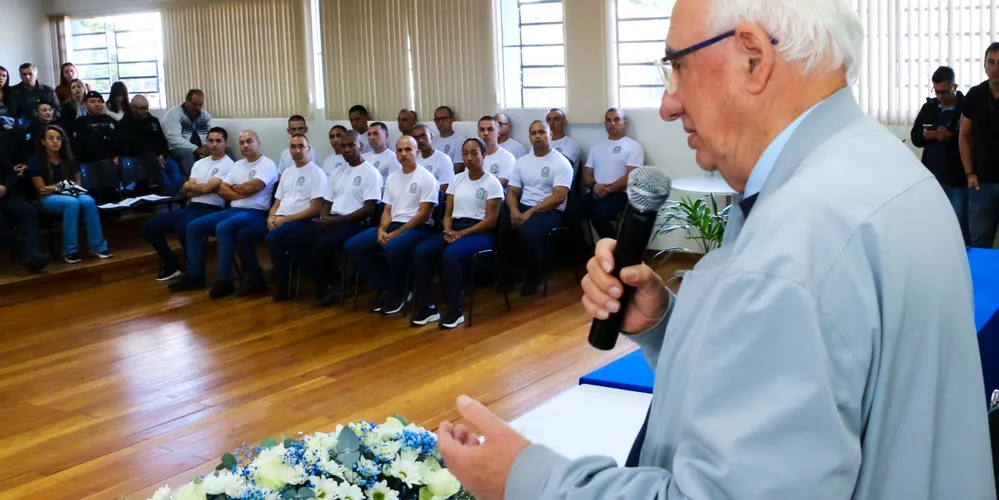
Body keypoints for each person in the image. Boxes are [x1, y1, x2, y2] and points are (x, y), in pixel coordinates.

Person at [438, 0, 997, 498]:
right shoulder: (875, 165)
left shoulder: (799, 235)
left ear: (753, 56)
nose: (667, 103)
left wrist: (524, 480)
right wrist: (670, 327)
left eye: (676, 66)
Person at [169, 131, 278, 298]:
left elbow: (251, 187)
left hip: (255, 212)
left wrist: (236, 189)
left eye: (249, 141)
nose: (245, 145)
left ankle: (224, 280)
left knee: (223, 227)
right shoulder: (238, 164)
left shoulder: (267, 164)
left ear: (258, 142)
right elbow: (222, 189)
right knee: (193, 226)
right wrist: (241, 192)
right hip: (233, 210)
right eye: (242, 143)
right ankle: (195, 276)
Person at [411, 138, 503, 329]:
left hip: (480, 232)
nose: (469, 158)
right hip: (454, 229)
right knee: (421, 251)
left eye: (474, 153)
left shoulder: (492, 183)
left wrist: (462, 233)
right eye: (465, 153)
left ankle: (455, 310)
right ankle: (429, 307)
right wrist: (448, 229)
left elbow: (490, 221)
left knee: (450, 255)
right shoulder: (457, 179)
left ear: (483, 156)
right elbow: (448, 212)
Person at [344, 136, 439, 315]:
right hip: (393, 226)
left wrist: (395, 233)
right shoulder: (393, 178)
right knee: (353, 246)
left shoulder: (426, 178)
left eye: (408, 150)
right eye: (400, 151)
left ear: (417, 153)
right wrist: (381, 230)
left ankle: (399, 292)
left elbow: (424, 214)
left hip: (419, 228)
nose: (403, 154)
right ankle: (387, 286)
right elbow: (387, 209)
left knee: (393, 247)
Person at [141, 127, 233, 282]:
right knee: (149, 227)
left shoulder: (228, 164)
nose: (214, 144)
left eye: (218, 141)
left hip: (212, 209)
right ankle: (173, 264)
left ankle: (195, 272)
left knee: (183, 228)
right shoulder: (199, 163)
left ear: (225, 143)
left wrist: (198, 188)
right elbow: (188, 191)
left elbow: (201, 187)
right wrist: (202, 189)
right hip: (192, 206)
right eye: (210, 141)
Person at [497, 120, 573, 296]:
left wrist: (528, 213)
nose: (537, 136)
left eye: (542, 132)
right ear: (529, 137)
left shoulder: (561, 163)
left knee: (527, 229)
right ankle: (510, 274)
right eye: (533, 133)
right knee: (503, 225)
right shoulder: (522, 162)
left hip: (550, 211)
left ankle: (535, 274)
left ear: (550, 135)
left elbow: (558, 197)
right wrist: (515, 211)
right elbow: (512, 191)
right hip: (524, 207)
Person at [310, 131, 382, 307]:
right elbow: (328, 200)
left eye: (351, 145)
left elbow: (368, 210)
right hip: (333, 219)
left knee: (321, 244)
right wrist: (323, 217)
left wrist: (333, 222)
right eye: (344, 146)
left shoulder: (370, 172)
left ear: (361, 146)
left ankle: (332, 283)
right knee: (301, 238)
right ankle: (328, 281)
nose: (347, 149)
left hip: (356, 223)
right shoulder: (337, 172)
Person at [253, 135, 328, 301]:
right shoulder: (287, 173)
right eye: (293, 147)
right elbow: (277, 202)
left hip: (304, 222)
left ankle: (285, 285)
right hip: (282, 220)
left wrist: (284, 220)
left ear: (309, 149)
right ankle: (262, 281)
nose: (297, 150)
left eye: (301, 146)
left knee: (274, 238)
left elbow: (315, 210)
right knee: (250, 235)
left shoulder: (317, 173)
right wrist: (271, 217)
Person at [27, 125, 111, 263]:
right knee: (71, 203)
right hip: (46, 199)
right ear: (43, 141)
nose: (55, 142)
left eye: (58, 139)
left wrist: (57, 186)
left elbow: (77, 185)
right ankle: (70, 250)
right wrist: (65, 185)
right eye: (51, 138)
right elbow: (41, 189)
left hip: (71, 193)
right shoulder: (36, 161)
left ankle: (98, 246)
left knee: (88, 201)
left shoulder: (69, 159)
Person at [911, 66, 968, 245]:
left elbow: (975, 142)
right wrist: (924, 135)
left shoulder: (966, 107)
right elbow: (915, 137)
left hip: (957, 180)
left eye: (944, 92)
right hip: (932, 180)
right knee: (932, 227)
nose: (940, 96)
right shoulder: (929, 107)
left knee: (960, 228)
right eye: (937, 92)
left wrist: (951, 137)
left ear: (955, 86)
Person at [570, 108, 645, 239]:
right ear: (605, 123)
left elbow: (631, 177)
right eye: (608, 120)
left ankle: (614, 252)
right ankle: (580, 251)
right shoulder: (597, 146)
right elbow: (587, 174)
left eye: (616, 119)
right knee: (571, 211)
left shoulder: (633, 146)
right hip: (596, 192)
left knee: (599, 216)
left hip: (621, 195)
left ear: (624, 122)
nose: (612, 123)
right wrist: (594, 186)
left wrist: (608, 189)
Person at [961, 42, 999, 248]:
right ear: (984, 66)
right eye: (991, 62)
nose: (996, 68)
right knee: (979, 244)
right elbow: (964, 137)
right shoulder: (974, 96)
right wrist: (970, 173)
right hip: (981, 184)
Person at [119, 94, 185, 195]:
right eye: (142, 108)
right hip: (142, 159)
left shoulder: (153, 121)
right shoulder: (125, 124)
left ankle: (181, 195)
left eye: (147, 107)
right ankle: (173, 196)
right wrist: (155, 158)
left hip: (161, 156)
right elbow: (134, 146)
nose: (146, 110)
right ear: (133, 108)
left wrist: (161, 154)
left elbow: (162, 140)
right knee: (163, 178)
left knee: (175, 170)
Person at [0, 152, 50, 272]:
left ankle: (32, 253)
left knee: (27, 211)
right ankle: (26, 253)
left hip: (3, 198)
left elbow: (11, 173)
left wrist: (5, 187)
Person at [71, 91, 121, 203]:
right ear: (85, 104)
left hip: (109, 165)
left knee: (114, 199)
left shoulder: (110, 121)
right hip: (89, 166)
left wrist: (117, 156)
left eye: (99, 101)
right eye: (92, 101)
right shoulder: (80, 123)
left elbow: (119, 141)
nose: (96, 104)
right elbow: (78, 147)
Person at [163, 89, 213, 176]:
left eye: (200, 105)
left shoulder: (205, 116)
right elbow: (174, 139)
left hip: (201, 148)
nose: (197, 108)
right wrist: (196, 149)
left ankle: (230, 182)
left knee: (224, 149)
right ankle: (194, 183)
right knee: (187, 153)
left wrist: (209, 146)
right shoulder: (173, 114)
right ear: (186, 101)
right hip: (177, 149)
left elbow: (211, 134)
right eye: (194, 104)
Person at [413, 124, 456, 192]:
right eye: (416, 138)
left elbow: (446, 187)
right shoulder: (414, 159)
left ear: (431, 136)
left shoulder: (443, 159)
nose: (420, 140)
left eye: (423, 136)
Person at [477, 116, 516, 188]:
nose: (485, 133)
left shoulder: (507, 157)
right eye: (482, 130)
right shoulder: (474, 156)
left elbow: (500, 184)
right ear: (478, 133)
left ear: (498, 133)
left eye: (490, 129)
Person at [433, 105, 466, 172]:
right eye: (437, 120)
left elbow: (458, 167)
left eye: (444, 119)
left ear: (452, 119)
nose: (440, 122)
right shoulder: (432, 141)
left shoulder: (460, 140)